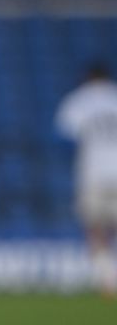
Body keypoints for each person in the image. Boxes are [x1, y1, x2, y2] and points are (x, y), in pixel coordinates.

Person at [57, 64, 117, 298]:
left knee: (95, 229)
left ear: (88, 78)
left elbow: (64, 137)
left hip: (93, 173)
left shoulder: (79, 100)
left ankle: (108, 281)